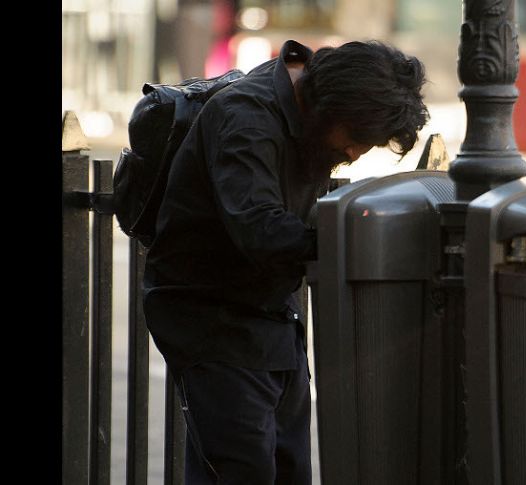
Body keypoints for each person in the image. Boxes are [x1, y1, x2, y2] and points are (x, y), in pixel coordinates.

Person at [142, 39, 429, 484]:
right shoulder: (246, 119)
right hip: (210, 319)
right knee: (243, 468)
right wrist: (358, 237)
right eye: (356, 139)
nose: (354, 154)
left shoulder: (305, 108)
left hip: (272, 314)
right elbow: (261, 229)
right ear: (329, 105)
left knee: (287, 467)